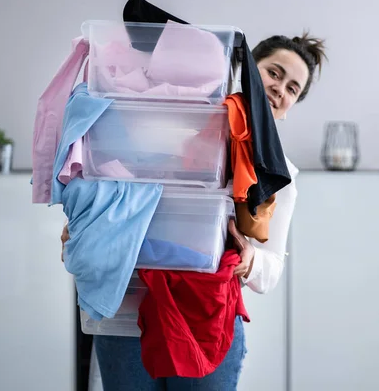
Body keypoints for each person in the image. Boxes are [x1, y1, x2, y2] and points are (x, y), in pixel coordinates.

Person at [61, 31, 326, 390]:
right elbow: (112, 184)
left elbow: (271, 269)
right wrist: (85, 227)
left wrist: (248, 257)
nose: (280, 89)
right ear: (245, 69)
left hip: (206, 321)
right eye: (274, 73)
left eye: (293, 88)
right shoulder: (175, 125)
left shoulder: (282, 177)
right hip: (129, 304)